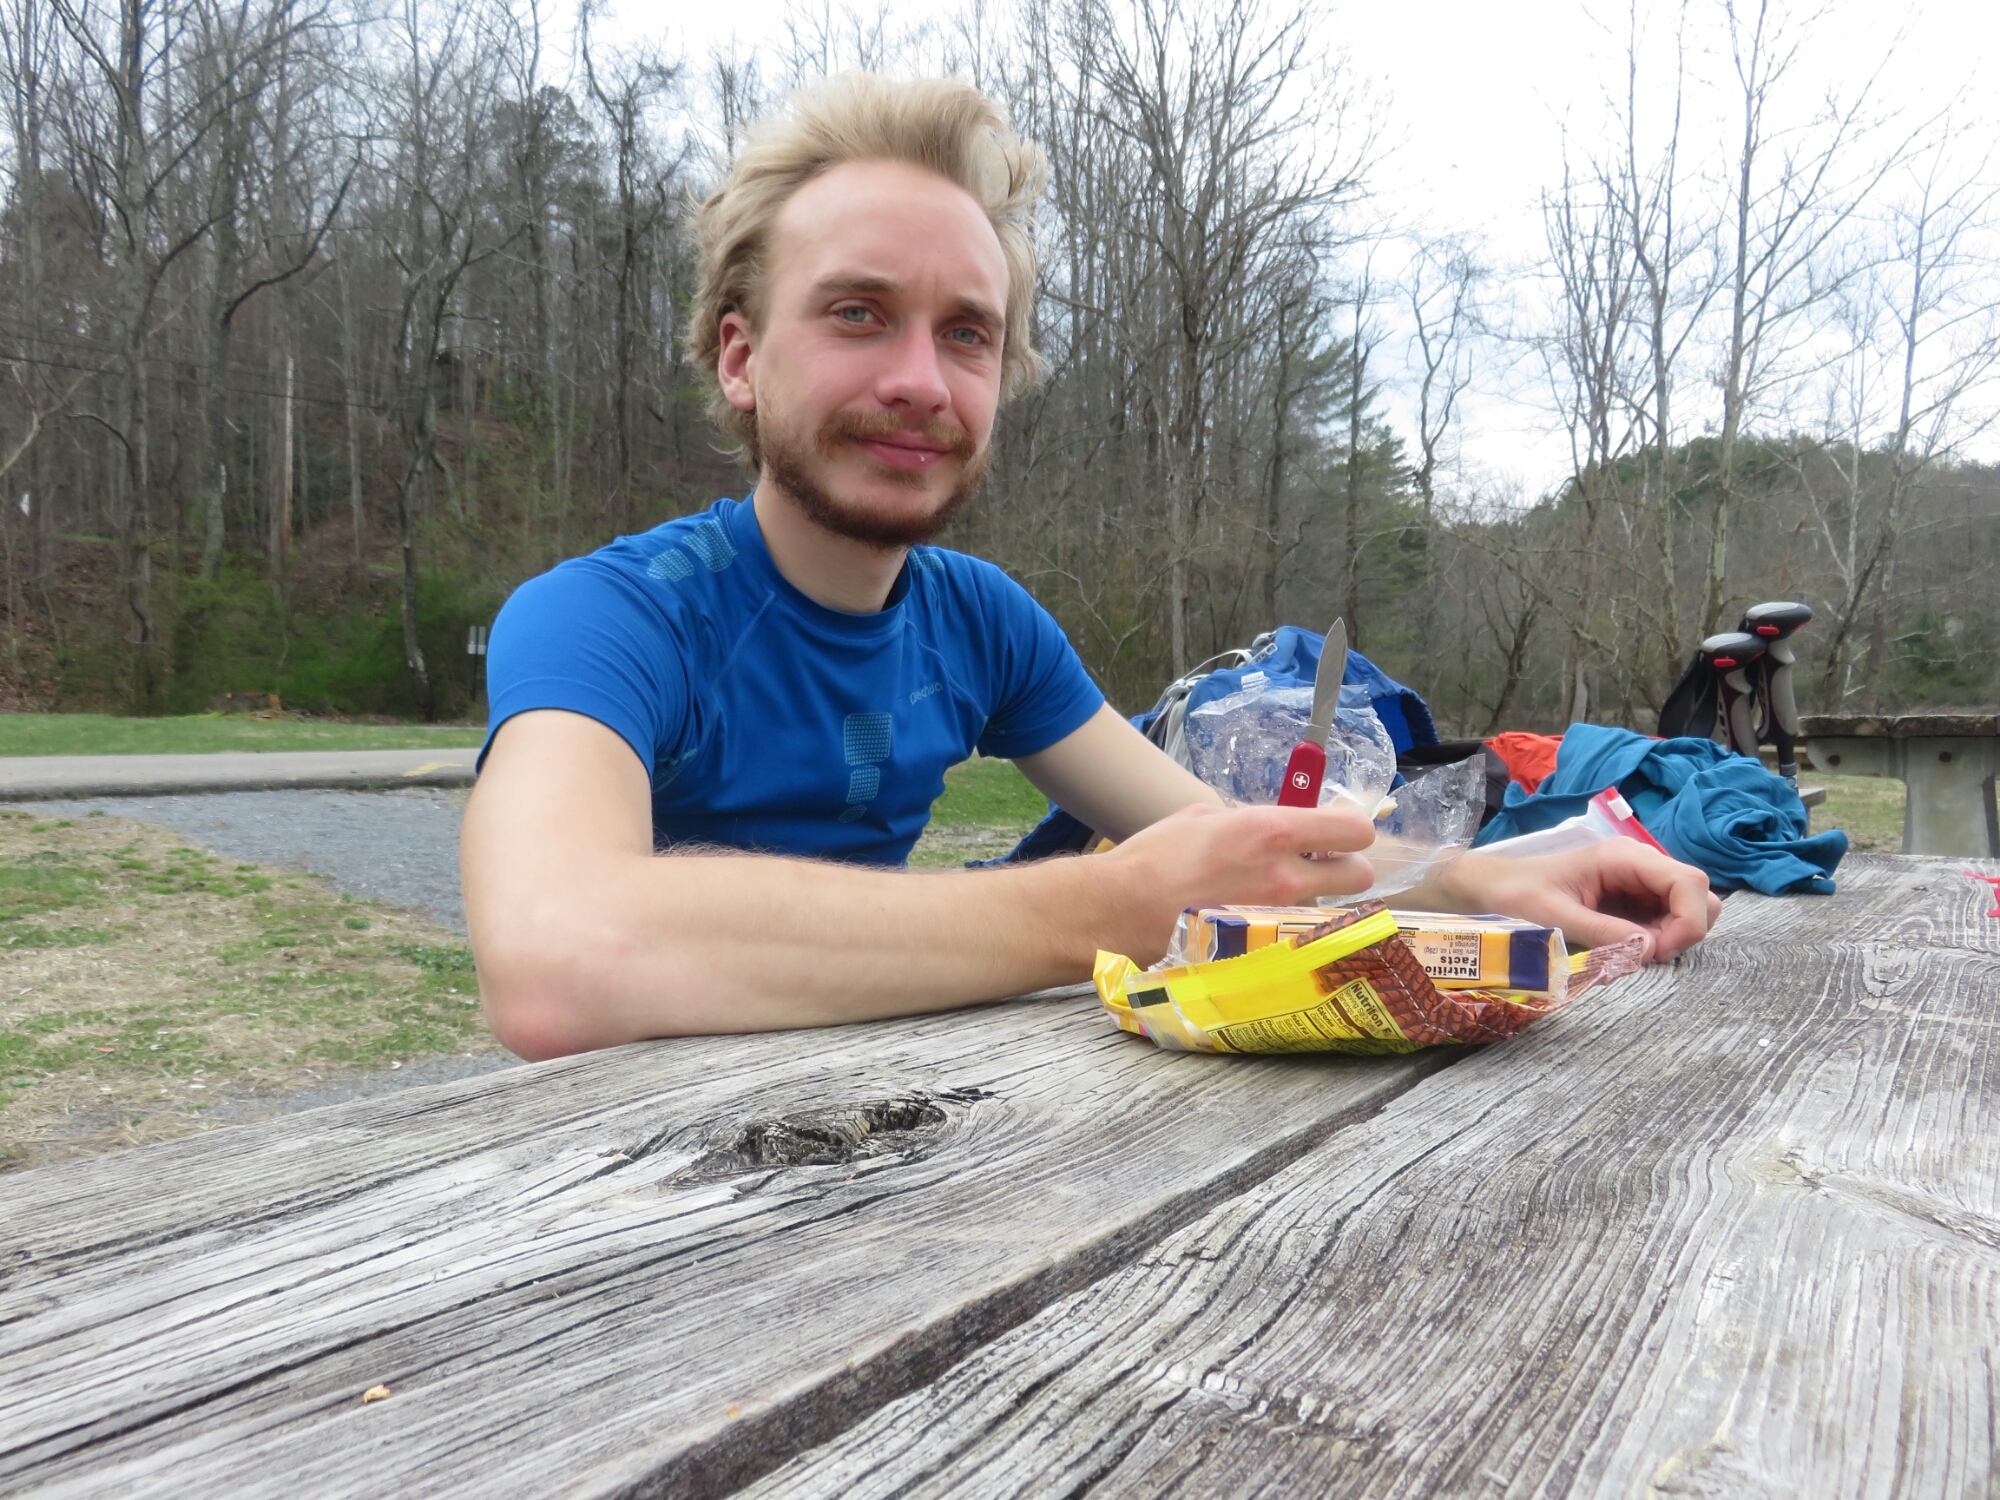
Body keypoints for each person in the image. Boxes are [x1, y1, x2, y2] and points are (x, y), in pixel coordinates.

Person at [462, 74, 1719, 1061]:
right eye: (856, 313)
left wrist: (1469, 879)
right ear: (740, 359)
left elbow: (1224, 851)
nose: (919, 380)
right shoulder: (607, 618)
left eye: (967, 334)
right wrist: (1103, 907)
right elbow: (556, 959)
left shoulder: (978, 621)